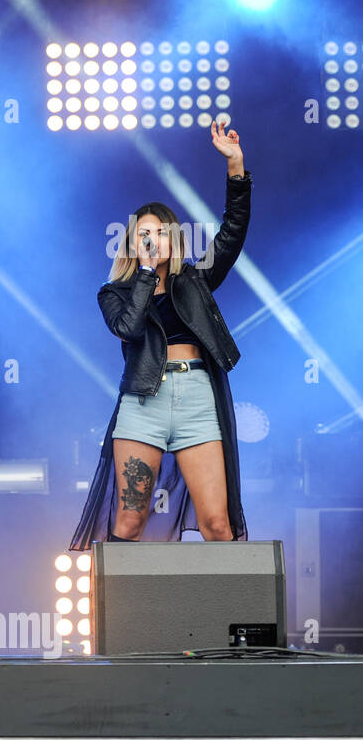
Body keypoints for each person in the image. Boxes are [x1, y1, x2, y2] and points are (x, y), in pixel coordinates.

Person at [71, 120, 251, 549]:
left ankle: (221, 614)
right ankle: (115, 614)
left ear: (175, 237)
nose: (153, 239)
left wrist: (236, 166)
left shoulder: (195, 280)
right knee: (130, 520)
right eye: (143, 234)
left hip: (197, 400)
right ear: (132, 244)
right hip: (143, 403)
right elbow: (129, 328)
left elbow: (232, 233)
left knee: (217, 524)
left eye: (160, 232)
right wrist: (146, 275)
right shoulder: (113, 293)